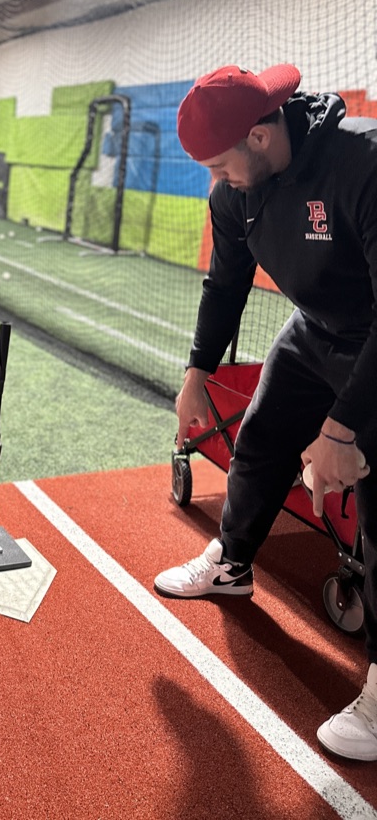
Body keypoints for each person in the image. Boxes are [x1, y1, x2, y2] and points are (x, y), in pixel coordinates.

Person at [153, 63, 377, 761]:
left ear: (261, 134)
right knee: (260, 440)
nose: (217, 180)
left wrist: (342, 429)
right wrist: (197, 372)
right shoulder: (234, 194)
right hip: (318, 328)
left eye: (222, 163)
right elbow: (225, 283)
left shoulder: (361, 164)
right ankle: (234, 562)